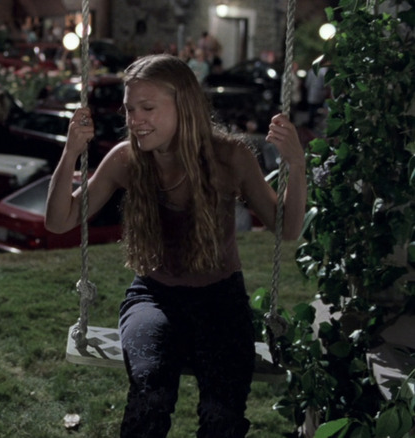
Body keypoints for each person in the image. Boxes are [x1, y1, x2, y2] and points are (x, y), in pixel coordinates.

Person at [45, 54, 306, 437]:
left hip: (221, 300)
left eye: (147, 108)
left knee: (222, 416)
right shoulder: (126, 160)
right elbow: (59, 220)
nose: (135, 120)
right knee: (150, 399)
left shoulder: (230, 157)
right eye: (130, 109)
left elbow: (287, 228)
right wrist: (70, 152)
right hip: (153, 297)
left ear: (183, 106)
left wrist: (296, 165)